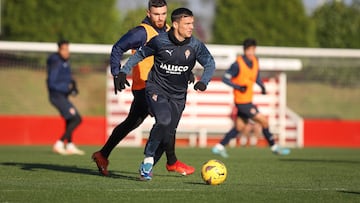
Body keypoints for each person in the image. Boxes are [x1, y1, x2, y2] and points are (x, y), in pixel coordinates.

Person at [92, 0, 195, 177]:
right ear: (149, 13)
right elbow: (118, 48)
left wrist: (187, 71)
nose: (161, 18)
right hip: (147, 87)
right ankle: (171, 162)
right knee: (167, 122)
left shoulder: (169, 30)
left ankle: (102, 155)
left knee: (132, 122)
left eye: (163, 13)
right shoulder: (141, 32)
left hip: (161, 85)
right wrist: (117, 73)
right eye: (156, 14)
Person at [117, 7, 216, 180]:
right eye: (187, 24)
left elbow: (210, 63)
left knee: (168, 132)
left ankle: (147, 166)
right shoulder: (159, 41)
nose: (191, 27)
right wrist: (124, 71)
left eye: (192, 23)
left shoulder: (195, 45)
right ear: (176, 24)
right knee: (163, 120)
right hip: (156, 89)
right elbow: (139, 55)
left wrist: (203, 81)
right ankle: (148, 158)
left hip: (178, 95)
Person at [212, 38, 290, 158]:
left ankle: (219, 147)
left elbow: (256, 76)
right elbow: (225, 79)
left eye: (252, 50)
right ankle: (274, 147)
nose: (250, 52)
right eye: (248, 50)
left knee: (239, 127)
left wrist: (262, 86)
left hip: (248, 100)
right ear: (244, 50)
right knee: (264, 121)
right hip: (242, 102)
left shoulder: (255, 61)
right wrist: (238, 86)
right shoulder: (237, 64)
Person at [47, 39, 84, 155]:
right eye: (64, 49)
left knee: (71, 118)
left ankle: (70, 145)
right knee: (76, 118)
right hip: (56, 95)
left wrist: (73, 85)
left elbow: (67, 78)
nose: (67, 52)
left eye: (68, 49)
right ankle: (59, 143)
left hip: (62, 95)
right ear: (59, 50)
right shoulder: (56, 62)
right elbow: (52, 83)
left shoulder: (65, 62)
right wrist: (67, 88)